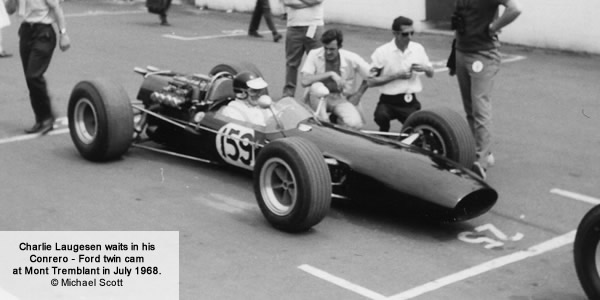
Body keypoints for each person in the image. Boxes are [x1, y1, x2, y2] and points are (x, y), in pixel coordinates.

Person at [451, 0, 522, 179]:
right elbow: (460, 20)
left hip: (481, 54)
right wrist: (453, 54)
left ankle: (480, 162)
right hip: (462, 51)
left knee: (480, 108)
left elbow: (515, 9)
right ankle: (482, 152)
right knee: (470, 108)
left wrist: (492, 27)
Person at [367, 16, 434, 133]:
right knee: (380, 116)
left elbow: (431, 74)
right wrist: (395, 76)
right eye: (405, 34)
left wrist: (426, 68)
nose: (409, 37)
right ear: (395, 34)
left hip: (409, 101)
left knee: (419, 132)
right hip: (388, 101)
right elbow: (370, 81)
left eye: (412, 33)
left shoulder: (417, 49)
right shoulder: (382, 52)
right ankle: (384, 132)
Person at [14, 0, 71, 134]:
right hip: (26, 31)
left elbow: (57, 8)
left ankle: (46, 117)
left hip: (43, 32)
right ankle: (41, 118)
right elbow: (10, 9)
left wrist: (63, 34)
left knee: (33, 75)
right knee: (30, 79)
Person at [300, 28, 370, 129]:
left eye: (332, 49)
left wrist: (358, 94)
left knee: (355, 124)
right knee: (317, 87)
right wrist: (330, 74)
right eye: (326, 48)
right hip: (318, 97)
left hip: (340, 98)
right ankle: (323, 121)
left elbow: (371, 76)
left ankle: (336, 121)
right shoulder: (314, 54)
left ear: (340, 47)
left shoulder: (351, 58)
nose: (328, 52)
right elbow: (304, 81)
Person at [281, 0, 324, 98]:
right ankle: (288, 94)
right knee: (291, 63)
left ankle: (316, 93)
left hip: (314, 25)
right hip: (294, 26)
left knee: (318, 62)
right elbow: (287, 2)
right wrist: (309, 3)